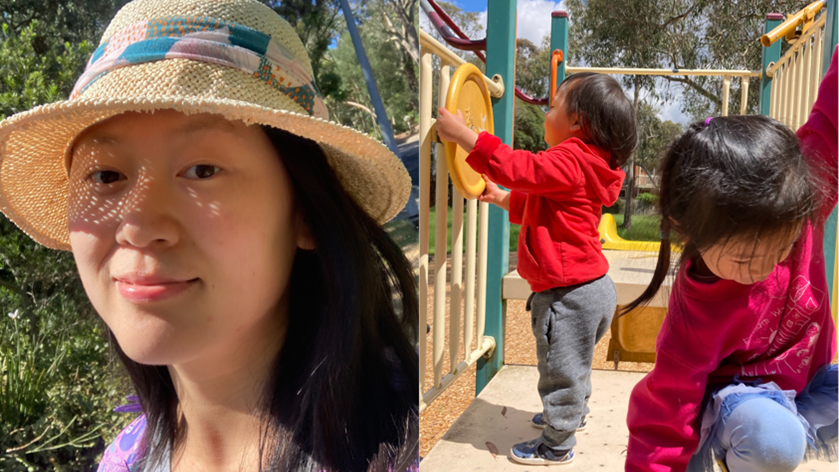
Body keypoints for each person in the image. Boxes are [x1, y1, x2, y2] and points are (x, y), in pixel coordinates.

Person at [0, 1, 419, 471]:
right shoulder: (124, 459)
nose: (138, 229)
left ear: (305, 211)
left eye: (201, 170)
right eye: (105, 176)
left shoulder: (418, 446)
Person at [625, 48, 838, 472]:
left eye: (781, 250)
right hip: (737, 407)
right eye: (743, 260)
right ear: (688, 231)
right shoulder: (696, 314)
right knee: (772, 438)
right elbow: (663, 414)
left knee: (783, 432)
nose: (762, 269)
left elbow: (831, 124)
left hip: (808, 387)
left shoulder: (800, 197)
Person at [436, 72, 637, 465]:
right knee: (573, 363)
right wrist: (501, 198)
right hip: (590, 288)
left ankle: (557, 443)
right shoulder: (587, 165)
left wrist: (465, 137)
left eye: (553, 106)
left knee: (558, 371)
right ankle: (571, 415)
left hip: (569, 295)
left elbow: (521, 168)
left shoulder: (571, 156)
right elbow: (541, 205)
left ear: (577, 122)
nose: (546, 113)